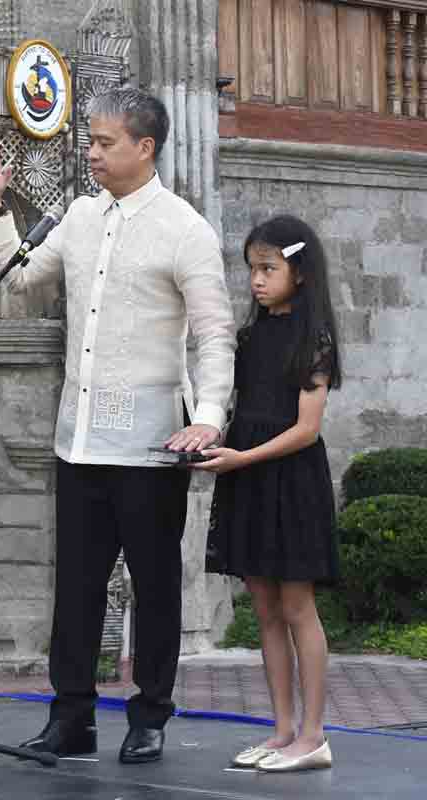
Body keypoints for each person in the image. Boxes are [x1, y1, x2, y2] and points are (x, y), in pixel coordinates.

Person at [0, 87, 236, 763]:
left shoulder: (185, 229)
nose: (90, 152)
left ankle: (149, 715)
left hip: (153, 443)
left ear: (145, 147)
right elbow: (22, 281)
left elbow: (214, 334)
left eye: (104, 142)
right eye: (89, 140)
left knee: (155, 587)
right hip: (78, 438)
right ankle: (73, 719)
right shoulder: (82, 218)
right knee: (76, 588)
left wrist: (207, 418)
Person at [195, 216, 341, 773]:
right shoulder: (250, 337)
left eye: (268, 269)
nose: (256, 280)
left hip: (290, 481)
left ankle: (314, 734)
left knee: (297, 606)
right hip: (249, 478)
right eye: (252, 269)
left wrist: (241, 459)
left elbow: (306, 429)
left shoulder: (314, 340)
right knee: (264, 610)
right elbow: (236, 408)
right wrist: (208, 441)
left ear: (298, 273)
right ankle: (282, 731)